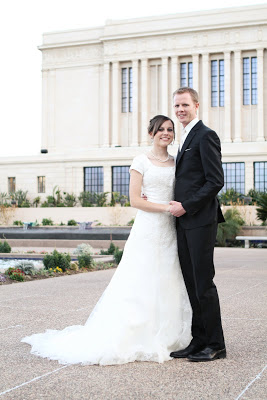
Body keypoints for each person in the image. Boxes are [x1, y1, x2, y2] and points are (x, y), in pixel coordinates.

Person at [21, 115, 192, 366]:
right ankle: (136, 334)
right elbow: (135, 200)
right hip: (149, 227)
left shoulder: (176, 161)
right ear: (151, 133)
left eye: (169, 129)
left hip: (170, 229)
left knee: (168, 277)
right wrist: (166, 208)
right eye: (160, 130)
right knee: (140, 277)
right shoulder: (141, 161)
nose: (166, 133)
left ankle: (167, 335)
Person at [169, 87, 226, 362]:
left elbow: (215, 181)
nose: (180, 109)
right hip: (183, 222)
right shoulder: (183, 138)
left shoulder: (205, 135)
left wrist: (187, 206)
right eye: (177, 105)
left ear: (197, 106)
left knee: (204, 283)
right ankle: (198, 340)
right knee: (191, 283)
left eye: (185, 105)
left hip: (200, 220)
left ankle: (216, 344)